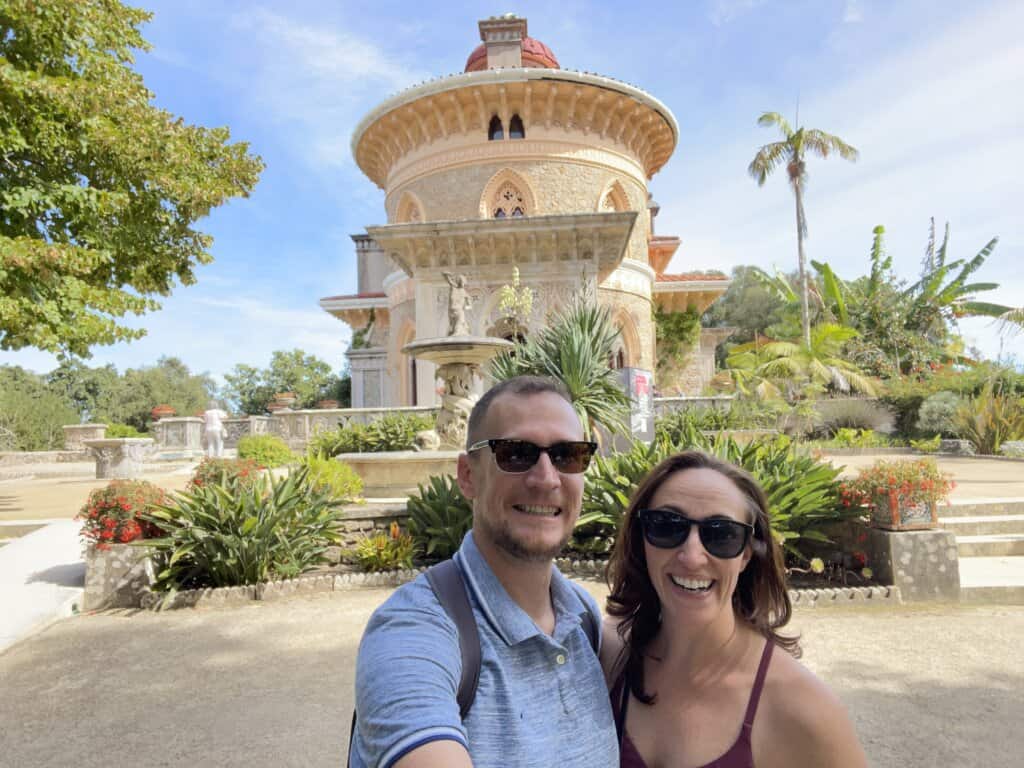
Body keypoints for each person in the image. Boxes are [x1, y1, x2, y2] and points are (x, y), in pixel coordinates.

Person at [350, 376, 618, 768]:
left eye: (567, 455)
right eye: (515, 453)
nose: (546, 478)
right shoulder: (413, 630)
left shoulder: (582, 616)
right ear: (467, 476)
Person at [603, 451, 867, 768]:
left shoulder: (802, 707)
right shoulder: (611, 657)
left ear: (746, 554)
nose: (692, 556)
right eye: (667, 526)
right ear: (641, 539)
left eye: (722, 534)